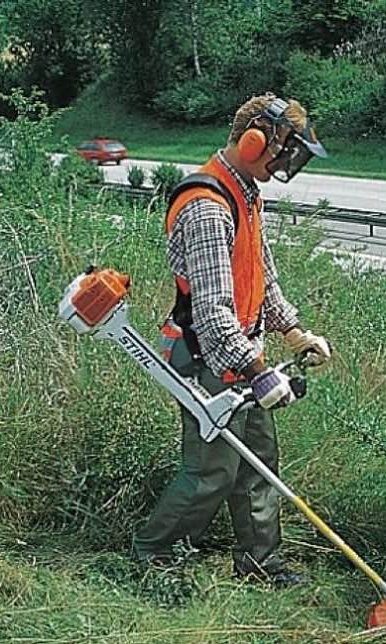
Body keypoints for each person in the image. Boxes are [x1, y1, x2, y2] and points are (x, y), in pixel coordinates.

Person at [131, 93, 332, 586]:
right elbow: (213, 311)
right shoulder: (206, 206)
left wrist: (294, 332)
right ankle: (152, 555)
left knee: (260, 464)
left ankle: (260, 562)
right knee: (212, 472)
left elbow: (261, 279)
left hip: (243, 356)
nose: (288, 162)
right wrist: (259, 373)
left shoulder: (246, 193)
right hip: (208, 358)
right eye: (285, 150)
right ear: (254, 140)